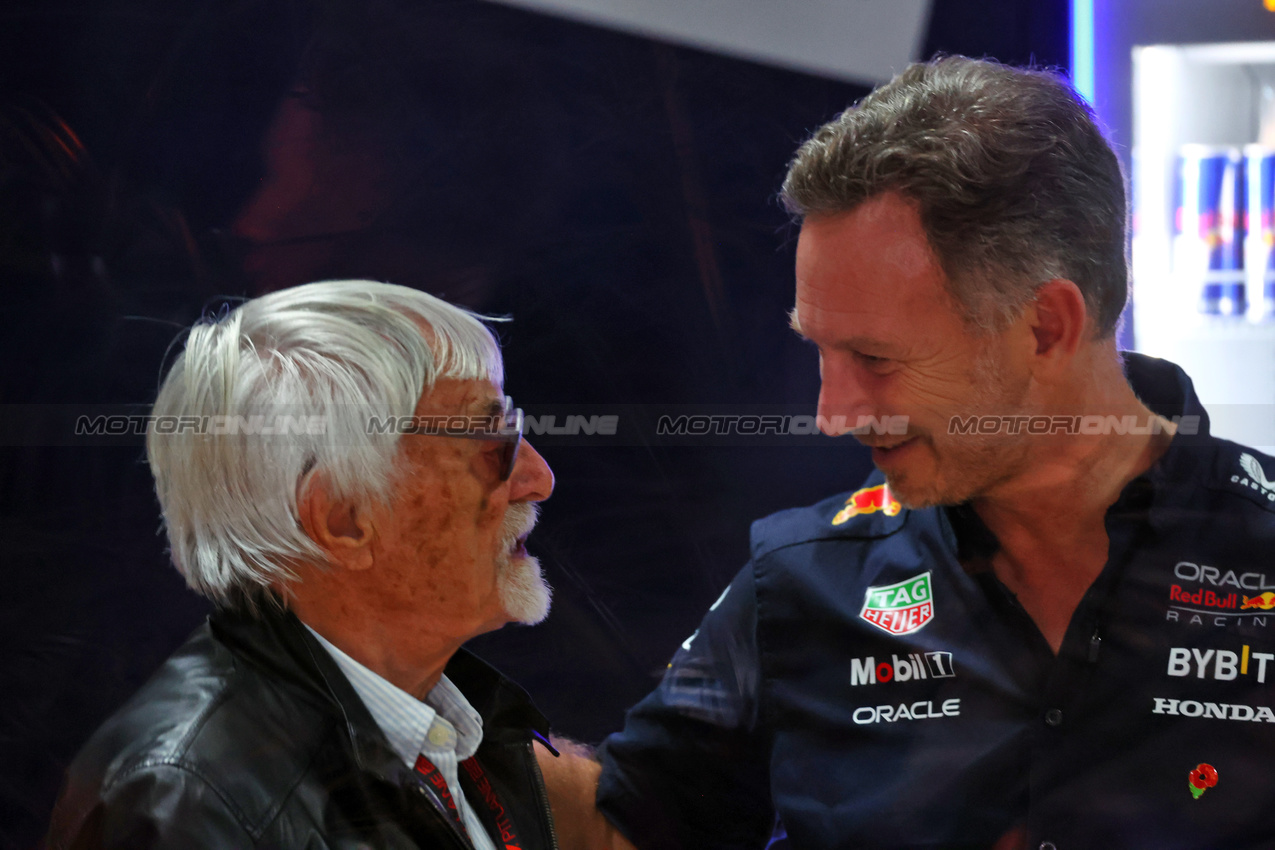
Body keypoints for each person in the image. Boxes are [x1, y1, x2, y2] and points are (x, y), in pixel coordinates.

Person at [538, 57, 1275, 849]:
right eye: (819, 352)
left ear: (1046, 328)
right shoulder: (800, 577)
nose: (832, 414)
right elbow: (622, 824)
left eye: (876, 360)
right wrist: (408, 688)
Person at [46, 280, 562, 849]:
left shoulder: (442, 722)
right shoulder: (188, 804)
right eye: (495, 445)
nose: (539, 479)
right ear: (344, 520)